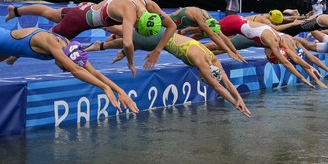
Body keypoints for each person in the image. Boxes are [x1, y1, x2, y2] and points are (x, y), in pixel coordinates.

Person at [0, 27, 138, 113]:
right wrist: (104, 90)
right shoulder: (56, 47)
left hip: (10, 48)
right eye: (62, 67)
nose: (61, 69)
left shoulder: (72, 48)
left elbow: (93, 71)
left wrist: (119, 90)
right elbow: (75, 71)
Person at [89, 27, 251, 118]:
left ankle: (103, 45)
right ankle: (94, 19)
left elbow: (226, 82)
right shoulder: (201, 62)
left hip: (163, 36)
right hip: (160, 39)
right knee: (127, 35)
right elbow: (218, 87)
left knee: (135, 43)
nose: (203, 79)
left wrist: (239, 99)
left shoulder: (213, 61)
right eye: (204, 79)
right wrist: (235, 103)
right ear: (204, 74)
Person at [5, 0, 176, 77]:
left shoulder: (148, 4)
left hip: (86, 7)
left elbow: (172, 25)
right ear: (139, 21)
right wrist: (131, 63)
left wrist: (157, 51)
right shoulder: (130, 15)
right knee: (49, 43)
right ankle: (15, 53)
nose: (134, 29)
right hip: (80, 21)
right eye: (137, 29)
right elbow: (128, 44)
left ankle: (16, 11)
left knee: (51, 13)